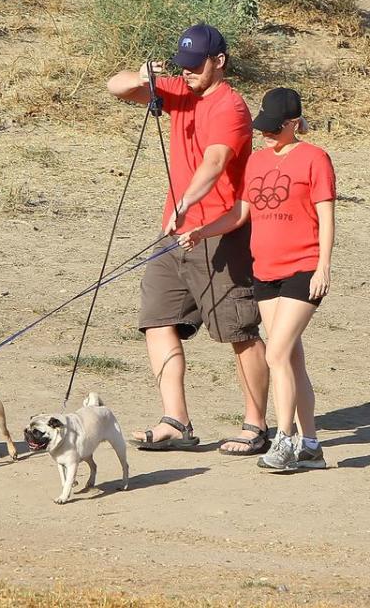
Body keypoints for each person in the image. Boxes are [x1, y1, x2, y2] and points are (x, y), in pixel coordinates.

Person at [106, 23, 271, 454]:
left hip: (219, 232)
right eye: (184, 65)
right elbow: (116, 88)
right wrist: (143, 76)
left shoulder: (230, 108)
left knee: (238, 329)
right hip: (173, 234)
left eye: (196, 65)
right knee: (157, 319)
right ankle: (175, 420)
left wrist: (186, 201)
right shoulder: (180, 91)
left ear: (220, 61)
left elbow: (216, 162)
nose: (189, 73)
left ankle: (256, 425)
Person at [178, 87, 335, 470]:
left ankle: (283, 440)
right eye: (262, 126)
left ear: (294, 123)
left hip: (303, 268)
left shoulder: (315, 158)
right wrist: (203, 230)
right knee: (292, 358)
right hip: (265, 270)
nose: (265, 133)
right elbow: (241, 214)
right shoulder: (258, 162)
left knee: (277, 352)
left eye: (274, 127)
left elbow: (327, 216)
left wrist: (323, 267)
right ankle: (311, 445)